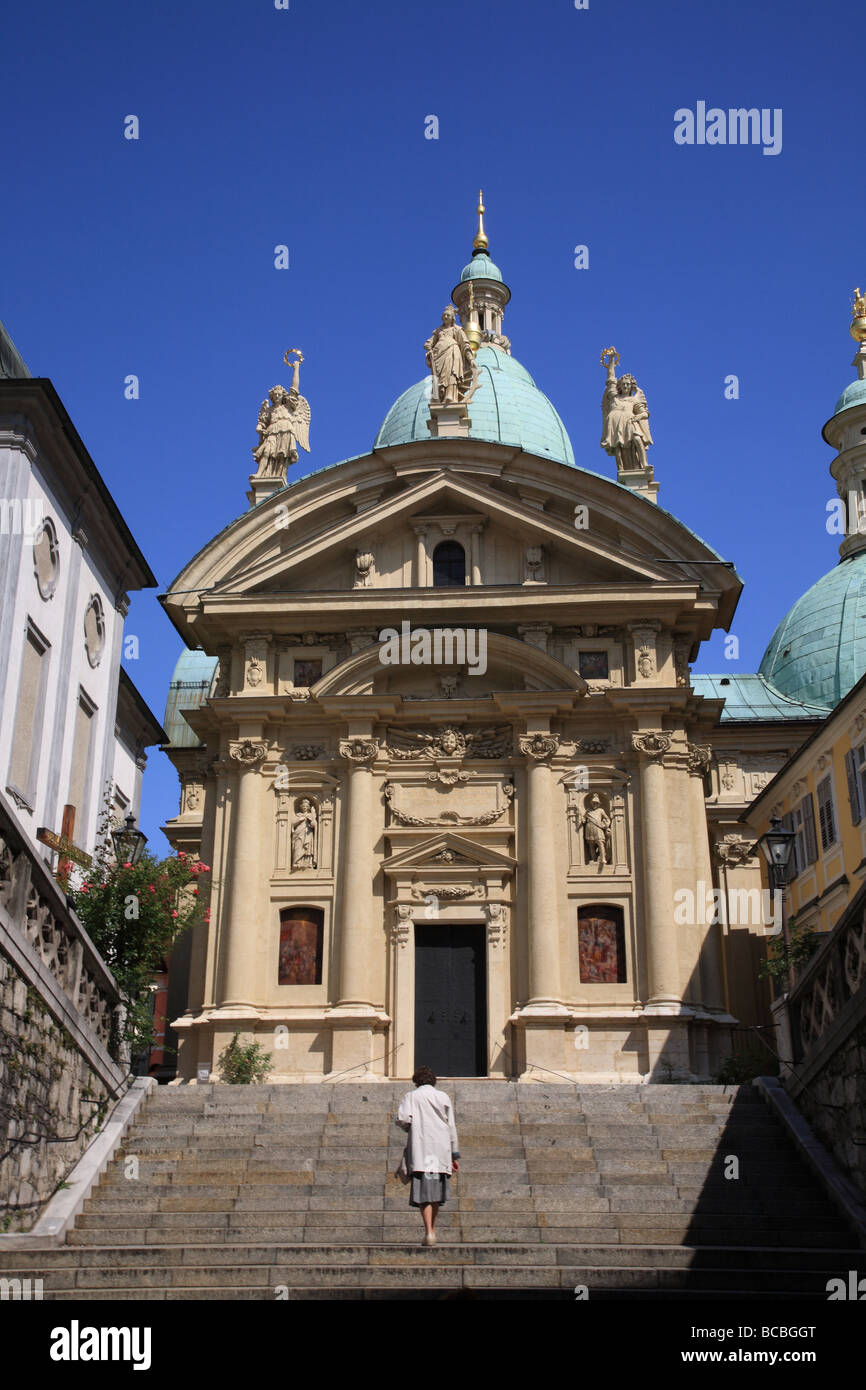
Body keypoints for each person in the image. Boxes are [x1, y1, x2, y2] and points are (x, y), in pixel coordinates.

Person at [396, 1067, 460, 1247]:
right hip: (440, 1151)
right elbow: (451, 1126)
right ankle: (433, 1229)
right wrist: (454, 1154)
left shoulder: (411, 1096)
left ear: (416, 1080)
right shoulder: (443, 1097)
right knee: (435, 1193)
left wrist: (411, 1127)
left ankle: (429, 1232)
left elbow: (403, 1119)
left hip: (421, 1149)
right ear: (433, 1081)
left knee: (424, 1192)